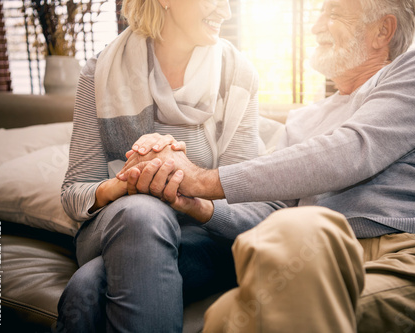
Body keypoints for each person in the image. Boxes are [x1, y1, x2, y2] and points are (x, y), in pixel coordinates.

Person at [117, 0, 415, 331]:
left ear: (382, 30)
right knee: (223, 315)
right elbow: (272, 212)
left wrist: (204, 180)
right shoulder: (303, 119)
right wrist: (202, 207)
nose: (315, 26)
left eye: (333, 13)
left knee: (257, 313)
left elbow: (351, 151)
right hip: (321, 259)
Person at [56, 0, 265, 332]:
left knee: (87, 287)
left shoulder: (237, 75)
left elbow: (247, 201)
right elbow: (74, 193)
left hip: (203, 237)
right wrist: (131, 181)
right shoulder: (99, 72)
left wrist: (190, 197)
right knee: (142, 210)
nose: (225, 12)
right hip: (118, 224)